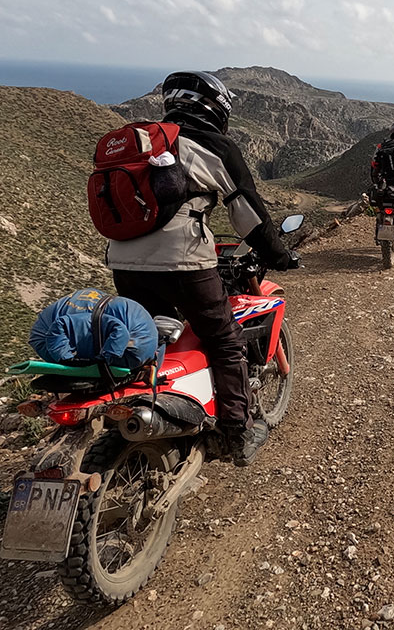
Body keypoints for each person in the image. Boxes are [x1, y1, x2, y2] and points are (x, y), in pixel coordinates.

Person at [105, 70, 297, 466]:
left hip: (122, 261)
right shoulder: (212, 145)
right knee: (225, 340)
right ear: (216, 109)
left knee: (147, 339)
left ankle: (142, 420)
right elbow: (249, 217)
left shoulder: (140, 141)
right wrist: (279, 255)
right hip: (184, 263)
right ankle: (234, 433)